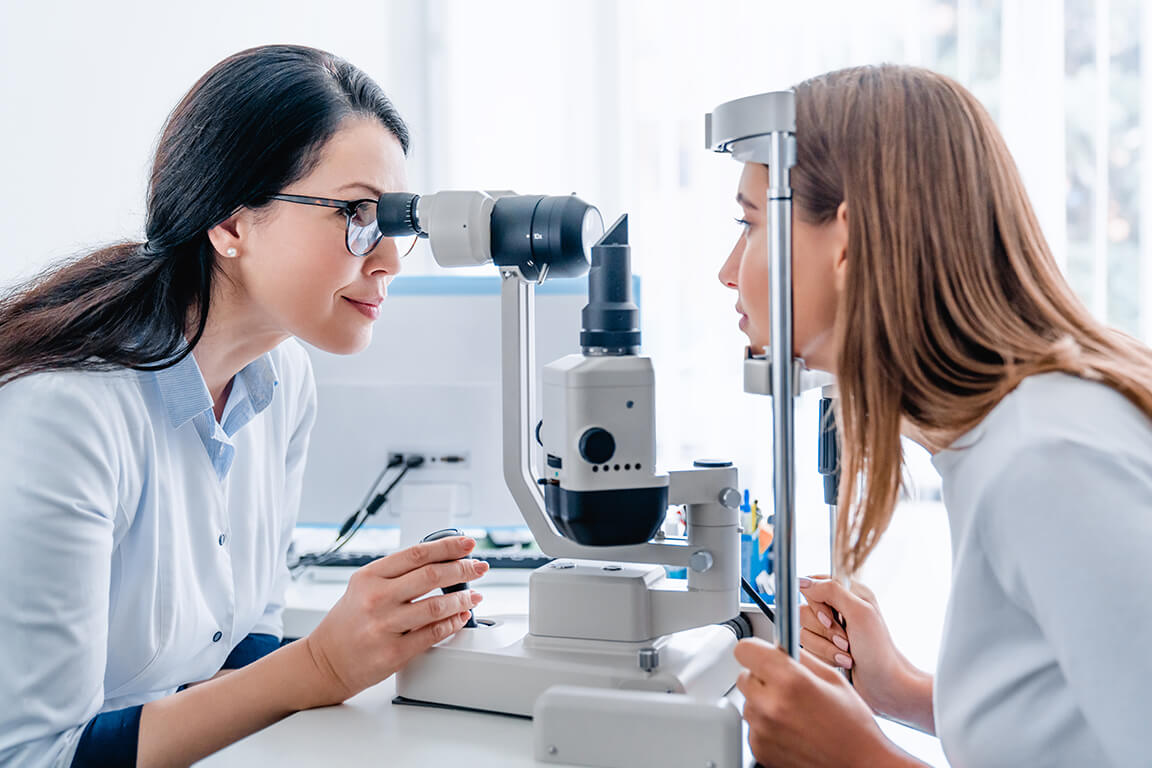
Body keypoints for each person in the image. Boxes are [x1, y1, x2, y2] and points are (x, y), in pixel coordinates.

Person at [0, 45, 487, 768]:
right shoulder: (66, 416)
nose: (387, 258)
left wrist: (385, 636)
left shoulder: (280, 379)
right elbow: (36, 756)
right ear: (230, 224)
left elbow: (232, 645)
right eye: (356, 213)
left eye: (394, 222)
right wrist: (318, 666)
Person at [719, 64, 1152, 767]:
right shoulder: (995, 439)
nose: (728, 271)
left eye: (751, 224)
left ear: (848, 241)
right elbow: (1076, 730)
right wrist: (903, 692)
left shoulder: (1051, 460)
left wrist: (860, 757)